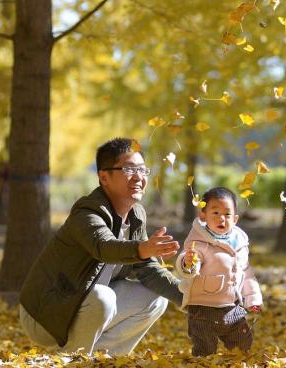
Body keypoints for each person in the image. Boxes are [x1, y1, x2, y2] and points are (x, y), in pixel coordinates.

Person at [19, 138, 182, 355]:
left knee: (156, 299)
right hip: (45, 314)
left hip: (84, 305)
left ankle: (99, 359)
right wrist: (143, 249)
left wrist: (191, 298)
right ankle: (73, 359)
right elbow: (104, 247)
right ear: (104, 177)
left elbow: (148, 270)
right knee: (102, 298)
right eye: (129, 169)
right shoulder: (87, 212)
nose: (139, 177)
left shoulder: (136, 215)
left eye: (143, 170)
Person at [175, 187, 263, 356]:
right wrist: (188, 262)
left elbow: (246, 271)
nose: (221, 218)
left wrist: (252, 298)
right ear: (203, 215)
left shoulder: (239, 242)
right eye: (215, 213)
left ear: (235, 219)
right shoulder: (199, 241)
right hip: (203, 307)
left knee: (243, 343)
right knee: (205, 349)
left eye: (227, 214)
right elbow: (191, 266)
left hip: (232, 304)